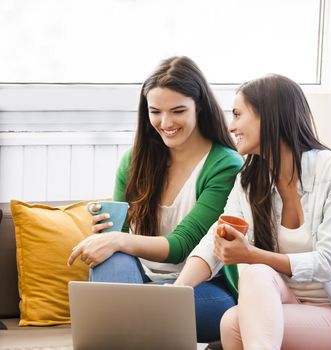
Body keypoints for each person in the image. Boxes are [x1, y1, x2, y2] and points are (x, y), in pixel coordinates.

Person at [175, 74, 331, 350]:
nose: (231, 125)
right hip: (287, 302)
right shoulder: (250, 180)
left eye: (238, 114)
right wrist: (177, 292)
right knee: (252, 278)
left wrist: (251, 255)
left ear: (269, 116)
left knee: (234, 320)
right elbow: (216, 237)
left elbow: (330, 262)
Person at [67, 56, 243, 342]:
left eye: (178, 111)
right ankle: (120, 319)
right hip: (139, 276)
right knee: (112, 265)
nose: (165, 122)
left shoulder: (225, 165)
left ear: (200, 107)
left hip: (202, 286)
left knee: (122, 310)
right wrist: (108, 234)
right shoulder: (136, 160)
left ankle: (115, 321)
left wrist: (118, 240)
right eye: (155, 111)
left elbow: (180, 246)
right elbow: (119, 239)